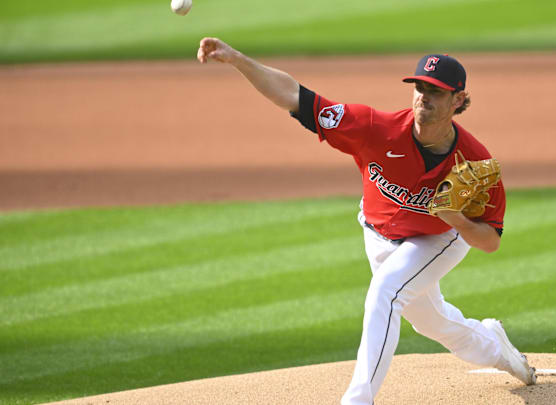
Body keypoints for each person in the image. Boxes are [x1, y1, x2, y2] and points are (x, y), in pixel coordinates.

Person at [197, 38, 536, 405]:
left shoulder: (474, 163)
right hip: (377, 234)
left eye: (436, 91)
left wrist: (457, 219)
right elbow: (295, 96)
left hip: (439, 239)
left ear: (458, 99)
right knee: (432, 323)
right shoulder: (375, 128)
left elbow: (491, 241)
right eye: (420, 87)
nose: (424, 96)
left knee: (385, 292)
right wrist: (236, 59)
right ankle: (499, 348)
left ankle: (358, 400)